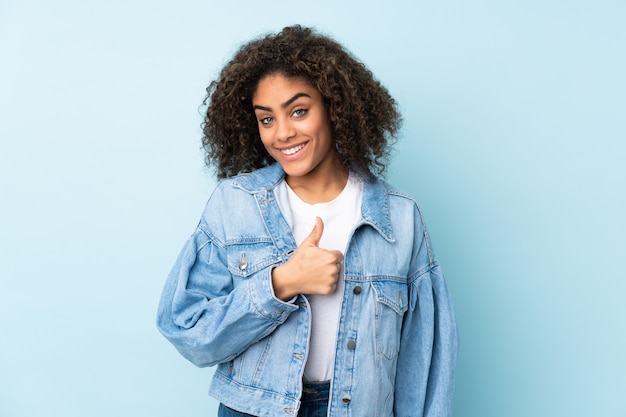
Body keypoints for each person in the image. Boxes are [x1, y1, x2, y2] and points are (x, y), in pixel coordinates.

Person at [157, 25, 458, 417]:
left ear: (335, 109)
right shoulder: (235, 205)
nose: (282, 133)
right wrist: (282, 283)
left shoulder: (400, 218)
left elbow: (426, 364)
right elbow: (188, 330)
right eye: (266, 119)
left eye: (299, 111)